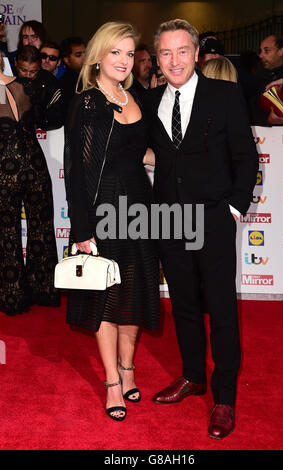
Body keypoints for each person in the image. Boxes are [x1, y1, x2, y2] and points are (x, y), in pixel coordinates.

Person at [144, 19, 258, 439]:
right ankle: (193, 376)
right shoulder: (150, 99)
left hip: (212, 218)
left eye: (181, 51)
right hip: (168, 220)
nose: (174, 61)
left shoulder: (224, 94)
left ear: (196, 53)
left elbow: (246, 157)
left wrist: (233, 209)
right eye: (165, 53)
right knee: (185, 305)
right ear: (157, 58)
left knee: (223, 310)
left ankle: (224, 397)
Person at [63, 22, 160, 422]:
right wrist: (82, 230)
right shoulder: (87, 103)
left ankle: (128, 365)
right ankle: (111, 382)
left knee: (134, 292)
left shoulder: (135, 95)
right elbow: (76, 169)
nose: (123, 60)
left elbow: (144, 153)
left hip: (139, 206)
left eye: (129, 52)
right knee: (106, 295)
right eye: (115, 52)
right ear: (99, 56)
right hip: (103, 208)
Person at [0, 51, 60, 316]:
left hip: (6, 169)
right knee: (42, 229)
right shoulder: (22, 85)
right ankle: (43, 290)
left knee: (7, 232)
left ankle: (13, 296)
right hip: (35, 165)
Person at [250, 35, 283, 126]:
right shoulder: (255, 78)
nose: (261, 55)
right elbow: (248, 110)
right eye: (260, 51)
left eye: (267, 51)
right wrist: (267, 119)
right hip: (267, 137)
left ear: (281, 51)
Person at [14, 46, 63, 131]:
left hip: (41, 136)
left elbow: (58, 117)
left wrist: (38, 119)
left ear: (39, 67)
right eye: (23, 70)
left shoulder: (49, 82)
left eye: (33, 72)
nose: (28, 75)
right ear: (15, 62)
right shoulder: (5, 80)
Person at [58, 37, 86, 120]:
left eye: (86, 53)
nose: (84, 57)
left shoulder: (95, 76)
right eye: (78, 55)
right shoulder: (65, 83)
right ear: (66, 60)